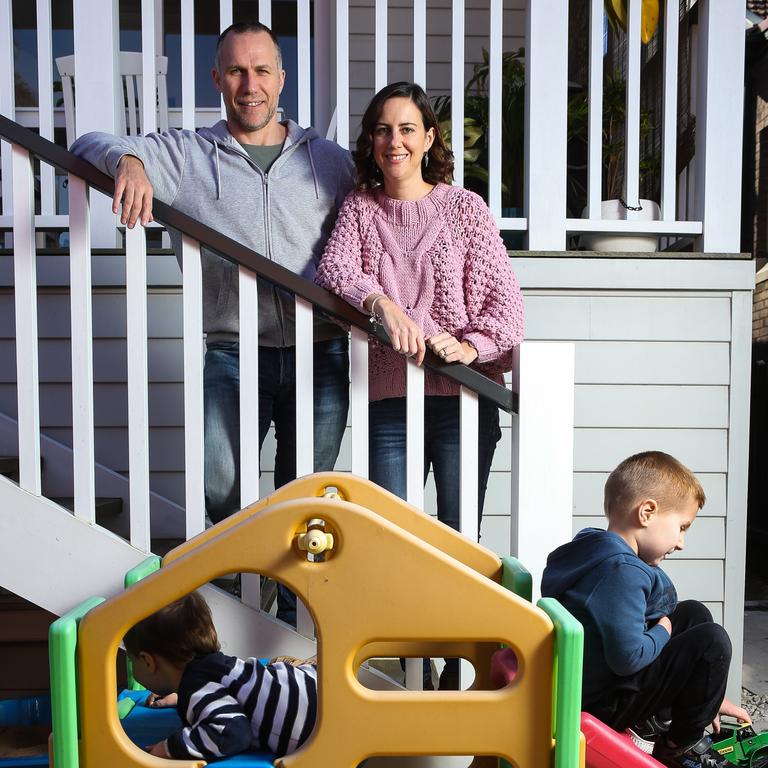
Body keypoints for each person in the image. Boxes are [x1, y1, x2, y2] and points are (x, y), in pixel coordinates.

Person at [71, 21, 355, 623]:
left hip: (319, 354)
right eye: (234, 70)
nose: (248, 85)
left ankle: (287, 633)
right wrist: (128, 160)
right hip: (232, 352)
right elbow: (85, 140)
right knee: (223, 494)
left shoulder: (330, 162)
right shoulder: (187, 155)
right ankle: (235, 624)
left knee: (302, 503)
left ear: (282, 78)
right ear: (216, 78)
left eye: (260, 71)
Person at [315, 81, 524, 689]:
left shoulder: (465, 210)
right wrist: (379, 301)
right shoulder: (359, 207)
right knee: (397, 541)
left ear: (429, 137)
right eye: (383, 129)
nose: (394, 141)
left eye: (407, 128)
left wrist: (471, 346)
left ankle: (461, 672)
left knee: (460, 541)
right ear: (371, 141)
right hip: (390, 401)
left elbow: (506, 309)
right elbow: (337, 269)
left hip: (464, 399)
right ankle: (418, 666)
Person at [541, 451, 751, 768]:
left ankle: (668, 720)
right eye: (682, 527)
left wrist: (706, 695)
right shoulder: (621, 573)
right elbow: (628, 658)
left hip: (591, 680)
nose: (681, 543)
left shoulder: (595, 548)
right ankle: (681, 745)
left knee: (693, 615)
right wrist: (664, 629)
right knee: (712, 641)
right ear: (647, 512)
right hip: (603, 702)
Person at [123, 592, 317, 761]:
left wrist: (169, 749)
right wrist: (181, 697)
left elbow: (233, 731)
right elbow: (226, 697)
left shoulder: (198, 687)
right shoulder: (216, 668)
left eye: (131, 660)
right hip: (313, 685)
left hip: (318, 722)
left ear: (148, 661)